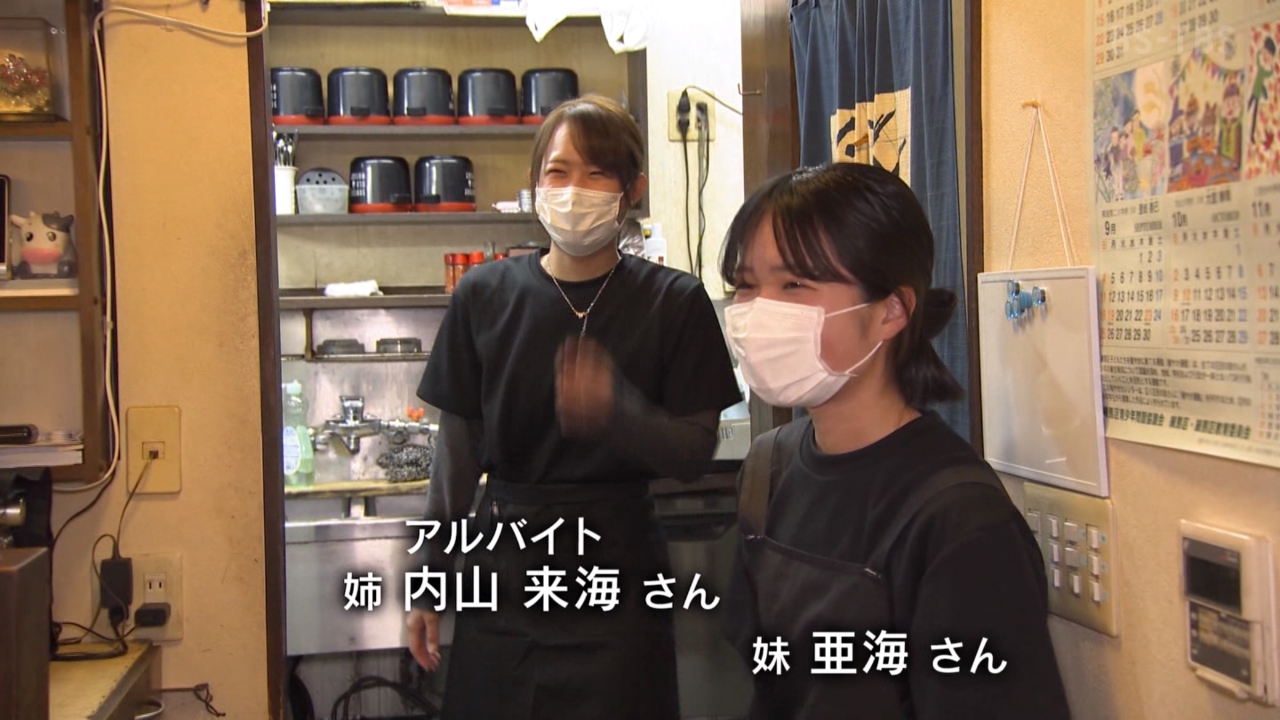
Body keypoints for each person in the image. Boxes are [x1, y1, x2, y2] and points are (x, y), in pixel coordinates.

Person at [406, 94, 743, 720]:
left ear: (632, 188)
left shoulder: (675, 301)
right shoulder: (483, 294)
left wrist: (618, 411)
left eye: (597, 173)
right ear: (535, 184)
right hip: (506, 567)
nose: (573, 190)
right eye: (558, 172)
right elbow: (456, 459)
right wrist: (429, 578)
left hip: (619, 572)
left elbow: (695, 453)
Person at [719, 163, 1071, 720]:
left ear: (890, 310)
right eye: (745, 285)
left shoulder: (959, 519)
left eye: (794, 285)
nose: (759, 311)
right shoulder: (768, 468)